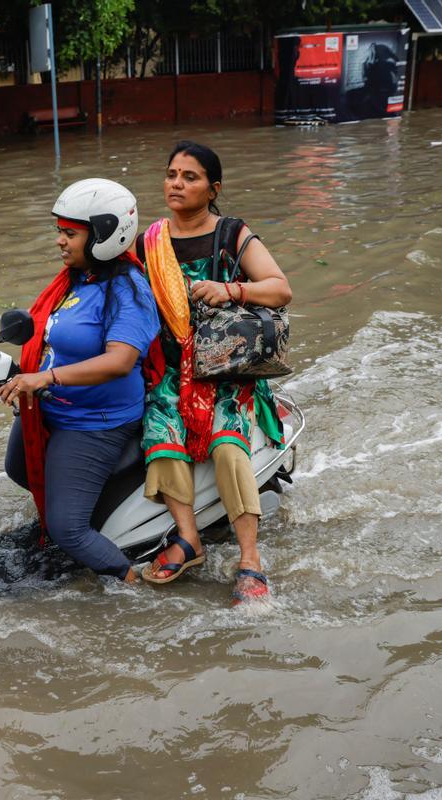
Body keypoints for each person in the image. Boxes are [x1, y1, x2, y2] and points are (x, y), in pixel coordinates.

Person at [137, 141, 292, 604]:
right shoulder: (151, 242)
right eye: (171, 175)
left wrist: (232, 289)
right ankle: (189, 540)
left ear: (213, 188)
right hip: (170, 369)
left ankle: (250, 557)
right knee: (159, 433)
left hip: (225, 366)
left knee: (228, 446)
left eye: (190, 177)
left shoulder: (232, 233)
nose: (177, 184)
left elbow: (281, 289)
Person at [0, 178, 160, 583]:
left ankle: (133, 583)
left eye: (70, 233)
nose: (60, 242)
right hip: (53, 403)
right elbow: (42, 324)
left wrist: (44, 377)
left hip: (95, 420)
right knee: (17, 468)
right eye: (60, 232)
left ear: (103, 235)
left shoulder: (129, 291)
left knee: (68, 529)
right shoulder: (75, 279)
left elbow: (120, 361)